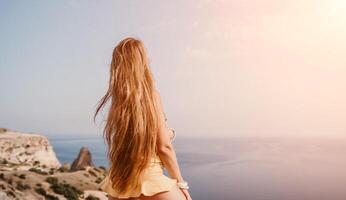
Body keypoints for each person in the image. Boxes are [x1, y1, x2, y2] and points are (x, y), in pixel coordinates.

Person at [94, 37, 192, 200]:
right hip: (151, 180)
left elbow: (139, 137)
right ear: (142, 63)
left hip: (119, 184)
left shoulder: (118, 104)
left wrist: (167, 133)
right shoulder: (151, 97)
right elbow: (163, 147)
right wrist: (181, 184)